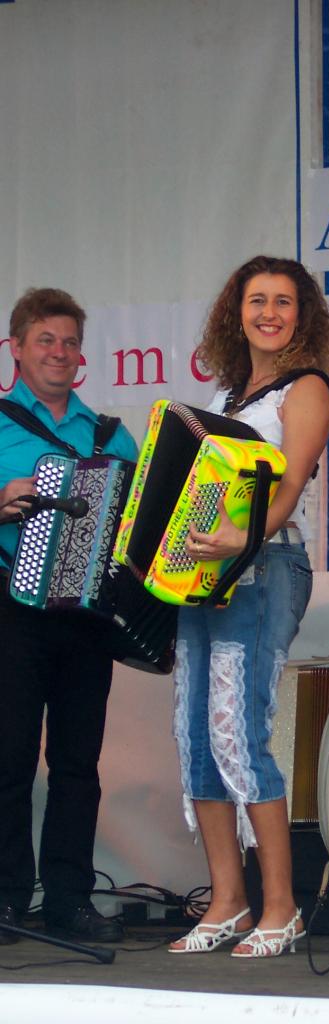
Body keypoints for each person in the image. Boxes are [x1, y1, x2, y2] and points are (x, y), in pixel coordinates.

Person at [168, 255, 329, 958]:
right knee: (195, 738)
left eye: (284, 302)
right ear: (236, 311)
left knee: (241, 733)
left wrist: (239, 537)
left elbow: (289, 487)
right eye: (257, 300)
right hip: (204, 573)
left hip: (264, 567)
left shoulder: (308, 389)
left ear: (303, 316)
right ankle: (227, 902)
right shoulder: (228, 395)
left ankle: (282, 907)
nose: (269, 313)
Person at [0, 287, 138, 944]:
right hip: (12, 610)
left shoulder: (110, 435)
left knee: (78, 765)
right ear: (17, 348)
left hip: (87, 617)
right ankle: (4, 900)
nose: (59, 352)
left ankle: (68, 899)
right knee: (9, 759)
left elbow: (146, 523)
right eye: (45, 340)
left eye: (69, 342)